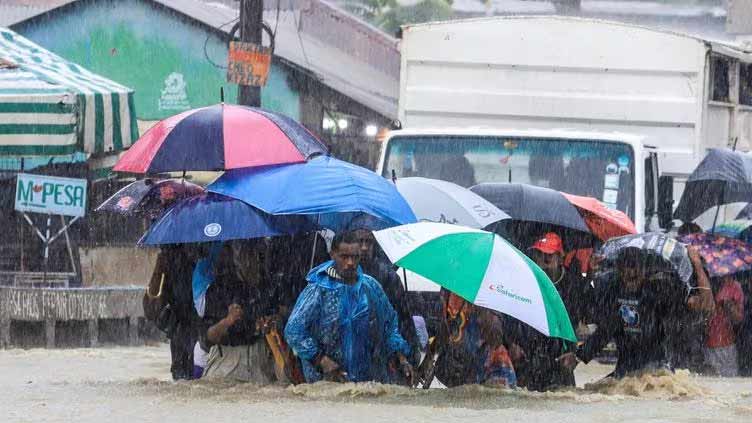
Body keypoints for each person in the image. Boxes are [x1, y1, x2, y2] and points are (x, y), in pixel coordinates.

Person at [284, 232, 414, 384]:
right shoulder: (318, 290)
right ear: (333, 255)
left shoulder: (371, 287)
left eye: (355, 257)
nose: (350, 263)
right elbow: (294, 331)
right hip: (325, 382)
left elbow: (390, 325)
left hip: (369, 381)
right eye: (344, 257)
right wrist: (322, 361)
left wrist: (402, 359)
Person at [576, 247, 714, 378]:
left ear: (645, 269)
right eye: (626, 267)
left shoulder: (661, 291)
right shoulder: (614, 291)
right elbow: (604, 331)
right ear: (619, 270)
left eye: (635, 267)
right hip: (626, 369)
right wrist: (578, 357)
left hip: (657, 370)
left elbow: (706, 305)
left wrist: (697, 264)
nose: (630, 273)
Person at [508, 233, 581, 391]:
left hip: (560, 361)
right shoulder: (524, 282)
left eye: (547, 259)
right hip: (528, 359)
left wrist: (576, 355)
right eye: (538, 257)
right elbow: (512, 316)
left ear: (560, 259)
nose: (541, 265)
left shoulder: (574, 287)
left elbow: (584, 323)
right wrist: (511, 344)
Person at [200, 240, 278, 383]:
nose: (251, 261)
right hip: (227, 360)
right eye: (245, 254)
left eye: (255, 255)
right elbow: (207, 339)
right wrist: (227, 321)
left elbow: (275, 319)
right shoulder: (218, 290)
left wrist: (270, 324)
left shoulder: (267, 288)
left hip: (261, 358)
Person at [352, 228, 421, 366]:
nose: (364, 247)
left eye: (369, 242)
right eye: (360, 242)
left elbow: (402, 315)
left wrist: (408, 353)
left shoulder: (388, 276)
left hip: (383, 350)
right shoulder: (341, 274)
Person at [421, 290, 517, 389]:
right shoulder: (449, 288)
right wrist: (429, 357)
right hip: (462, 369)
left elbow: (496, 337)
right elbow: (446, 326)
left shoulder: (486, 292)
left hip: (493, 372)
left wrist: (481, 308)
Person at [143, 244, 197, 381]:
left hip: (209, 344)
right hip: (182, 346)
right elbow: (151, 310)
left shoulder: (212, 255)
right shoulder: (171, 257)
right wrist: (159, 270)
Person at [705, 275, 745, 377]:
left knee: (729, 384)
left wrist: (728, 304)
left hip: (726, 346)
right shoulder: (705, 281)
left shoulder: (734, 286)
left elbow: (738, 318)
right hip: (705, 345)